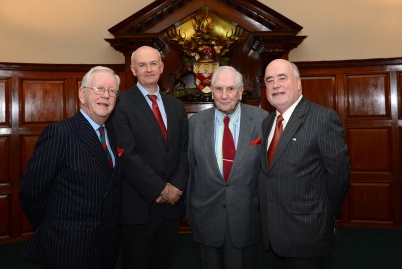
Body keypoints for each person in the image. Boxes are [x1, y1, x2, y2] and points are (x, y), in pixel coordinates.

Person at [19, 66, 122, 269]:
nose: (106, 95)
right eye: (99, 88)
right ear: (82, 94)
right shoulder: (60, 133)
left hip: (107, 244)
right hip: (68, 247)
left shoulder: (111, 133)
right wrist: (54, 227)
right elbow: (31, 192)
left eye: (112, 91)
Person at [258, 59, 350, 269]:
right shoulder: (267, 123)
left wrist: (323, 216)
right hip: (271, 236)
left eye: (282, 78)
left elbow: (339, 177)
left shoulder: (323, 118)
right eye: (269, 80)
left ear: (298, 83)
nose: (276, 85)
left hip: (308, 236)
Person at [110, 46, 189, 269]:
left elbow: (184, 150)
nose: (148, 69)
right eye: (142, 65)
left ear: (162, 67)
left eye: (153, 64)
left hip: (171, 208)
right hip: (138, 208)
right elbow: (127, 154)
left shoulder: (175, 106)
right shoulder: (120, 104)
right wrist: (160, 189)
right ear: (133, 70)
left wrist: (176, 187)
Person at [187, 66, 268, 269]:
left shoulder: (262, 120)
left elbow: (269, 171)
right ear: (211, 91)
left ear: (241, 92)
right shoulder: (194, 124)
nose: (224, 95)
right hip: (206, 217)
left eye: (231, 89)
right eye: (219, 89)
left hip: (247, 217)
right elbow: (190, 170)